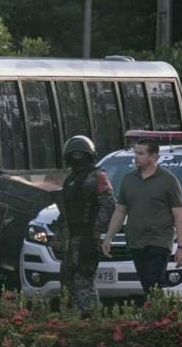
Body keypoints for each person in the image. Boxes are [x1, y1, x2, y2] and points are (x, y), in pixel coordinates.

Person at [102, 138, 182, 294]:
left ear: (154, 156)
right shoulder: (128, 180)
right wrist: (108, 237)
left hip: (159, 240)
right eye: (135, 153)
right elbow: (120, 211)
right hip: (136, 241)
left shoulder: (168, 180)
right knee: (147, 285)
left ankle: (158, 316)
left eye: (141, 153)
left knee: (153, 282)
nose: (136, 157)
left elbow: (178, 215)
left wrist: (181, 246)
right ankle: (156, 315)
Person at [53, 136, 116, 318]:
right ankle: (75, 325)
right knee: (67, 285)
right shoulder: (71, 179)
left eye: (80, 155)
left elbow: (109, 205)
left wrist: (94, 232)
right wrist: (59, 234)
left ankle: (93, 325)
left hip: (85, 241)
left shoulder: (98, 177)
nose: (77, 159)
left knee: (84, 283)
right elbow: (66, 211)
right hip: (71, 241)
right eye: (74, 156)